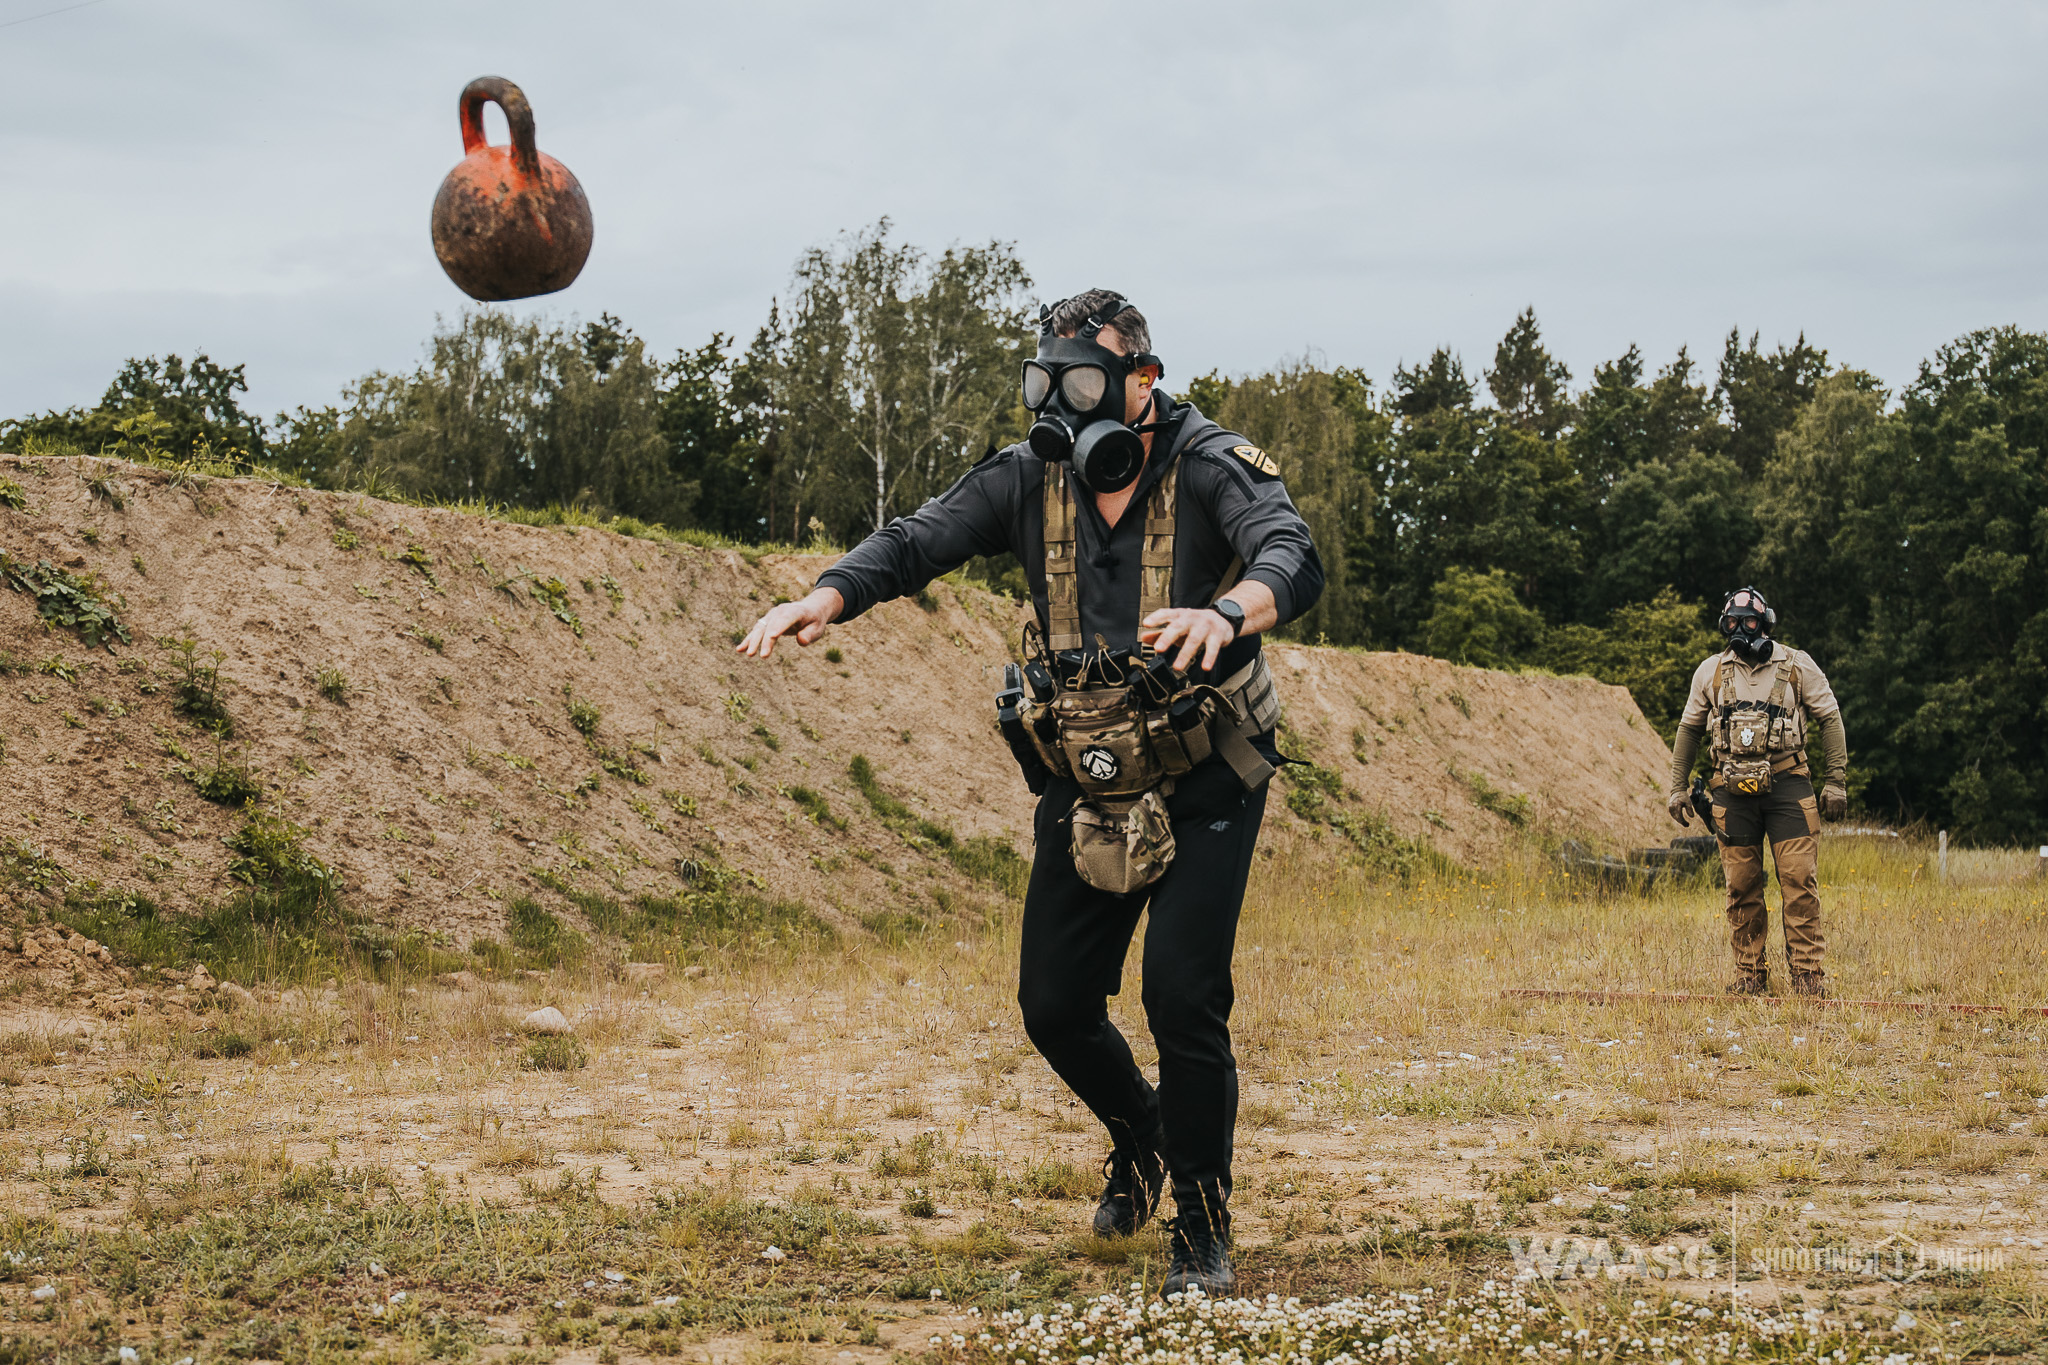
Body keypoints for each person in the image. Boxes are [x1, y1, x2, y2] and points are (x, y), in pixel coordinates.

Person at [737, 290, 1323, 1295]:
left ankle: (1201, 1225)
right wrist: (826, 595)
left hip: (1206, 771)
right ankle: (1142, 1138)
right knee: (1053, 1006)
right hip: (1090, 774)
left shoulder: (1211, 462)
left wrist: (1228, 612)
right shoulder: (1025, 475)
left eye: (1083, 381)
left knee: (1181, 996)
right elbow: (915, 540)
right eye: (1044, 381)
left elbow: (1291, 553)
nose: (1061, 403)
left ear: (1142, 379)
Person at [1666, 587, 1849, 997]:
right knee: (1741, 885)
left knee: (1799, 881)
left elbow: (1830, 718)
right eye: (1732, 622)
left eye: (1749, 621)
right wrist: (1678, 788)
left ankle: (1807, 977)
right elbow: (1688, 730)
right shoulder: (1710, 672)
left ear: (1765, 623)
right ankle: (1749, 976)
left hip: (1789, 786)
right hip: (1730, 792)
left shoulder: (1798, 665)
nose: (1741, 630)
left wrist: (1835, 781)